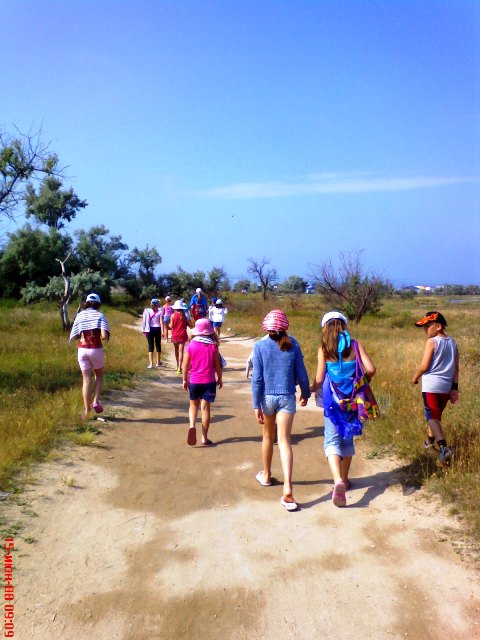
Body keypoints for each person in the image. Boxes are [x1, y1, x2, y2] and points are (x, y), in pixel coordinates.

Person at [310, 311, 376, 507]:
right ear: (343, 325)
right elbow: (371, 369)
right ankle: (345, 480)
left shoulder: (324, 349)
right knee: (347, 438)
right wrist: (362, 381)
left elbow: (320, 378)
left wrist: (310, 389)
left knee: (331, 439)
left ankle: (337, 479)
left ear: (325, 327)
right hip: (353, 400)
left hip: (333, 401)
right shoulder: (355, 345)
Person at [251, 309, 310, 511]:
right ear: (285, 327)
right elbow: (302, 373)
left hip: (267, 398)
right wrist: (305, 392)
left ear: (266, 328)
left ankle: (266, 475)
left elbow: (257, 379)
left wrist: (256, 404)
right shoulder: (294, 344)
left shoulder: (259, 346)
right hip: (287, 397)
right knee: (284, 441)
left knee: (268, 437)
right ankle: (288, 489)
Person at [412, 311, 459, 464]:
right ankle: (429, 442)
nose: (425, 330)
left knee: (432, 417)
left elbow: (424, 366)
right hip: (446, 387)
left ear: (438, 326)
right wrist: (454, 388)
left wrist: (415, 377)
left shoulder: (432, 342)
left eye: (428, 326)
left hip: (431, 386)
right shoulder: (453, 343)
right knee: (435, 417)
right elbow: (456, 368)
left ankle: (444, 448)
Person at [69, 292, 110, 419]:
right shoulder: (100, 315)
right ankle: (96, 401)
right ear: (98, 304)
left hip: (82, 350)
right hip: (95, 349)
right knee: (99, 376)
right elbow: (104, 336)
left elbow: (75, 335)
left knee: (86, 380)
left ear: (86, 303)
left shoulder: (80, 315)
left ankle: (87, 411)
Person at [183, 318, 223, 446]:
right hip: (209, 381)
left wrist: (184, 379)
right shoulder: (213, 346)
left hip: (194, 380)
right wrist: (220, 378)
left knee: (193, 405)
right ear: (209, 332)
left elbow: (185, 365)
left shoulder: (191, 345)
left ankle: (192, 425)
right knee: (205, 409)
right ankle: (204, 438)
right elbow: (218, 366)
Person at [170, 300, 190, 374]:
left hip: (175, 335)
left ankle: (177, 365)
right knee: (181, 351)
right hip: (183, 335)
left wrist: (166, 325)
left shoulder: (172, 315)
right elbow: (190, 325)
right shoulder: (185, 315)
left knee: (176, 351)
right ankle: (179, 368)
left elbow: (171, 326)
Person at [142, 298, 163, 368]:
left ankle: (151, 364)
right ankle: (158, 362)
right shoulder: (160, 311)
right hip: (158, 329)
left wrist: (144, 329)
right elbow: (161, 322)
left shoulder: (147, 311)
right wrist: (163, 331)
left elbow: (144, 321)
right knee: (158, 345)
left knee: (150, 346)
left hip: (149, 329)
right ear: (157, 304)